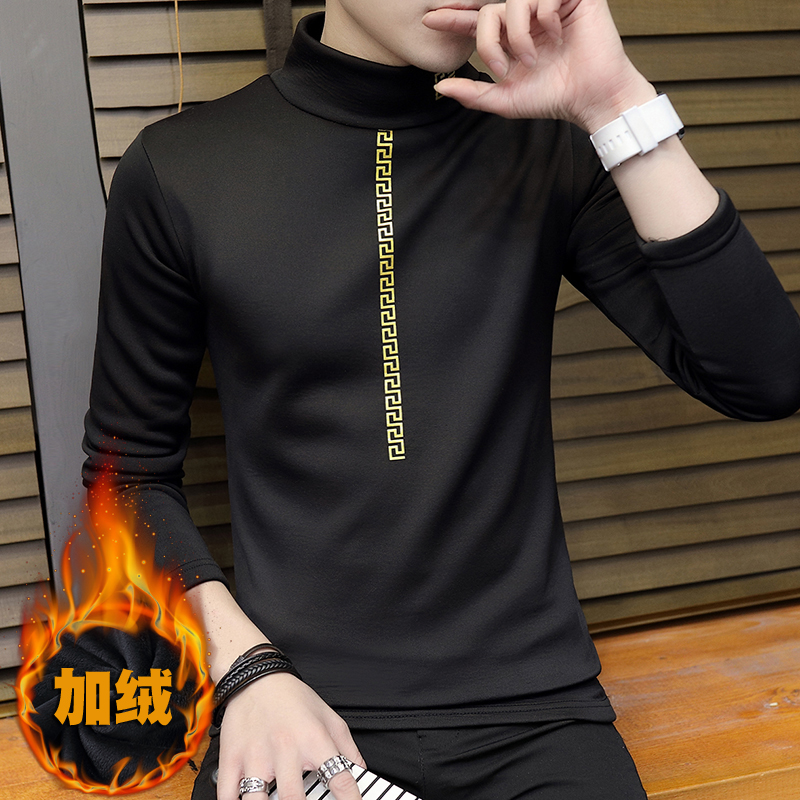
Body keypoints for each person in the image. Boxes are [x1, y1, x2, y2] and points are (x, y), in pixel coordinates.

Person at [82, 1, 800, 799]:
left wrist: (616, 104)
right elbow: (128, 478)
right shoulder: (183, 167)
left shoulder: (547, 146)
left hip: (535, 714)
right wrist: (245, 671)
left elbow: (763, 377)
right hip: (290, 707)